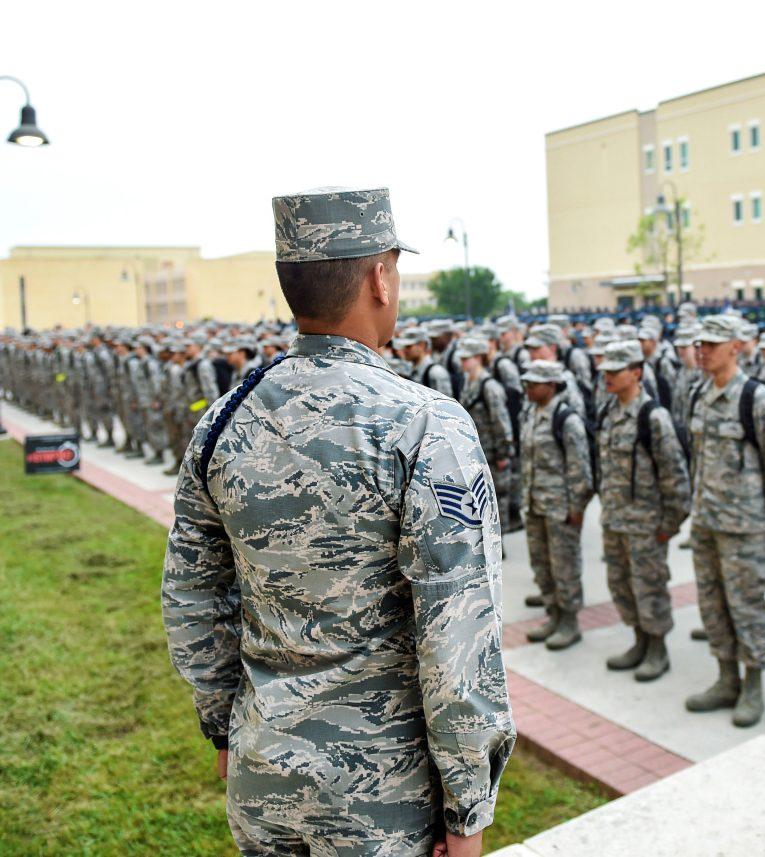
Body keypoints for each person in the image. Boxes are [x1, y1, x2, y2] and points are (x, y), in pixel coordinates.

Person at [162, 186, 513, 857]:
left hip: (266, 775)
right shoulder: (428, 426)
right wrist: (467, 809)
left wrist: (223, 727)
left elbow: (192, 596)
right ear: (380, 276)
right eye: (396, 268)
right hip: (382, 799)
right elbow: (457, 638)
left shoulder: (223, 422)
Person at [684, 314, 765, 728]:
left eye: (712, 344)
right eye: (700, 343)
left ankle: (753, 684)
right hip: (707, 523)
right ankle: (726, 677)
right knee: (713, 605)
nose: (703, 350)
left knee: (746, 607)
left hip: (745, 526)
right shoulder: (699, 395)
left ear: (736, 346)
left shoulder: (757, 400)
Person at [595, 340, 691, 681]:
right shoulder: (609, 412)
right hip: (616, 520)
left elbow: (675, 476)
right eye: (605, 370)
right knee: (621, 585)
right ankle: (638, 639)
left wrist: (669, 524)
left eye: (615, 370)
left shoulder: (653, 417)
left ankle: (657, 647)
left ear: (636, 372)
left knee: (649, 586)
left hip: (646, 524)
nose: (606, 376)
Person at [518, 359, 594, 650]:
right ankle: (553, 614)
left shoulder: (567, 420)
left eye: (534, 384)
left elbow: (580, 470)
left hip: (560, 509)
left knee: (564, 567)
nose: (527, 388)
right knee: (542, 564)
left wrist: (577, 508)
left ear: (550, 386)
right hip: (536, 504)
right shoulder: (532, 414)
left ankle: (569, 621)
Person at [456, 337, 515, 536]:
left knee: (497, 499)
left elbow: (501, 422)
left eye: (467, 358)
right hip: (475, 452)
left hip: (492, 453)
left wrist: (503, 454)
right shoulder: (468, 382)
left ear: (479, 358)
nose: (463, 362)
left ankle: (500, 541)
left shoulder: (490, 386)